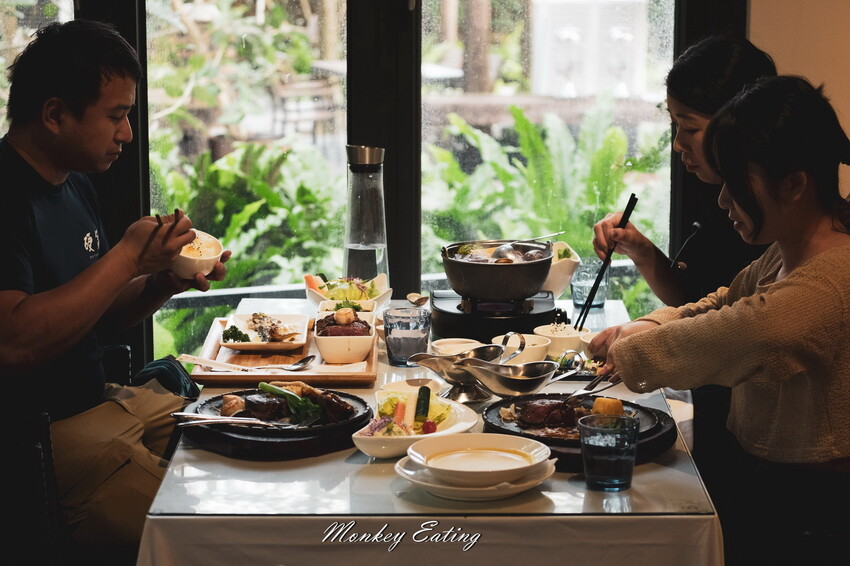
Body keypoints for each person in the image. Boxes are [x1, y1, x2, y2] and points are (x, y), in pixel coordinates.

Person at [590, 75, 850, 565]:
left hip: (817, 510)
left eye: (737, 182)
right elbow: (728, 300)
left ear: (794, 183)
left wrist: (630, 350)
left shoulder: (831, 279)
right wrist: (648, 324)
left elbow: (751, 331)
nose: (722, 199)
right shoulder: (787, 250)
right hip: (770, 480)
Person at [1, 20, 230, 562]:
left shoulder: (74, 180)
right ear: (55, 114)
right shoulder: (6, 197)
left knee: (247, 432)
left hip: (103, 404)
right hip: (42, 439)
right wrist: (127, 255)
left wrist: (163, 280)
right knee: (213, 536)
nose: (126, 133)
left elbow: (95, 315)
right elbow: (14, 341)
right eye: (116, 116)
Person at [591, 36, 777, 510]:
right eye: (673, 125)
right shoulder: (717, 194)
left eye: (688, 128)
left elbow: (739, 324)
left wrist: (641, 343)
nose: (677, 146)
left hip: (763, 455)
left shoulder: (771, 220)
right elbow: (709, 298)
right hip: (725, 426)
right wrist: (644, 255)